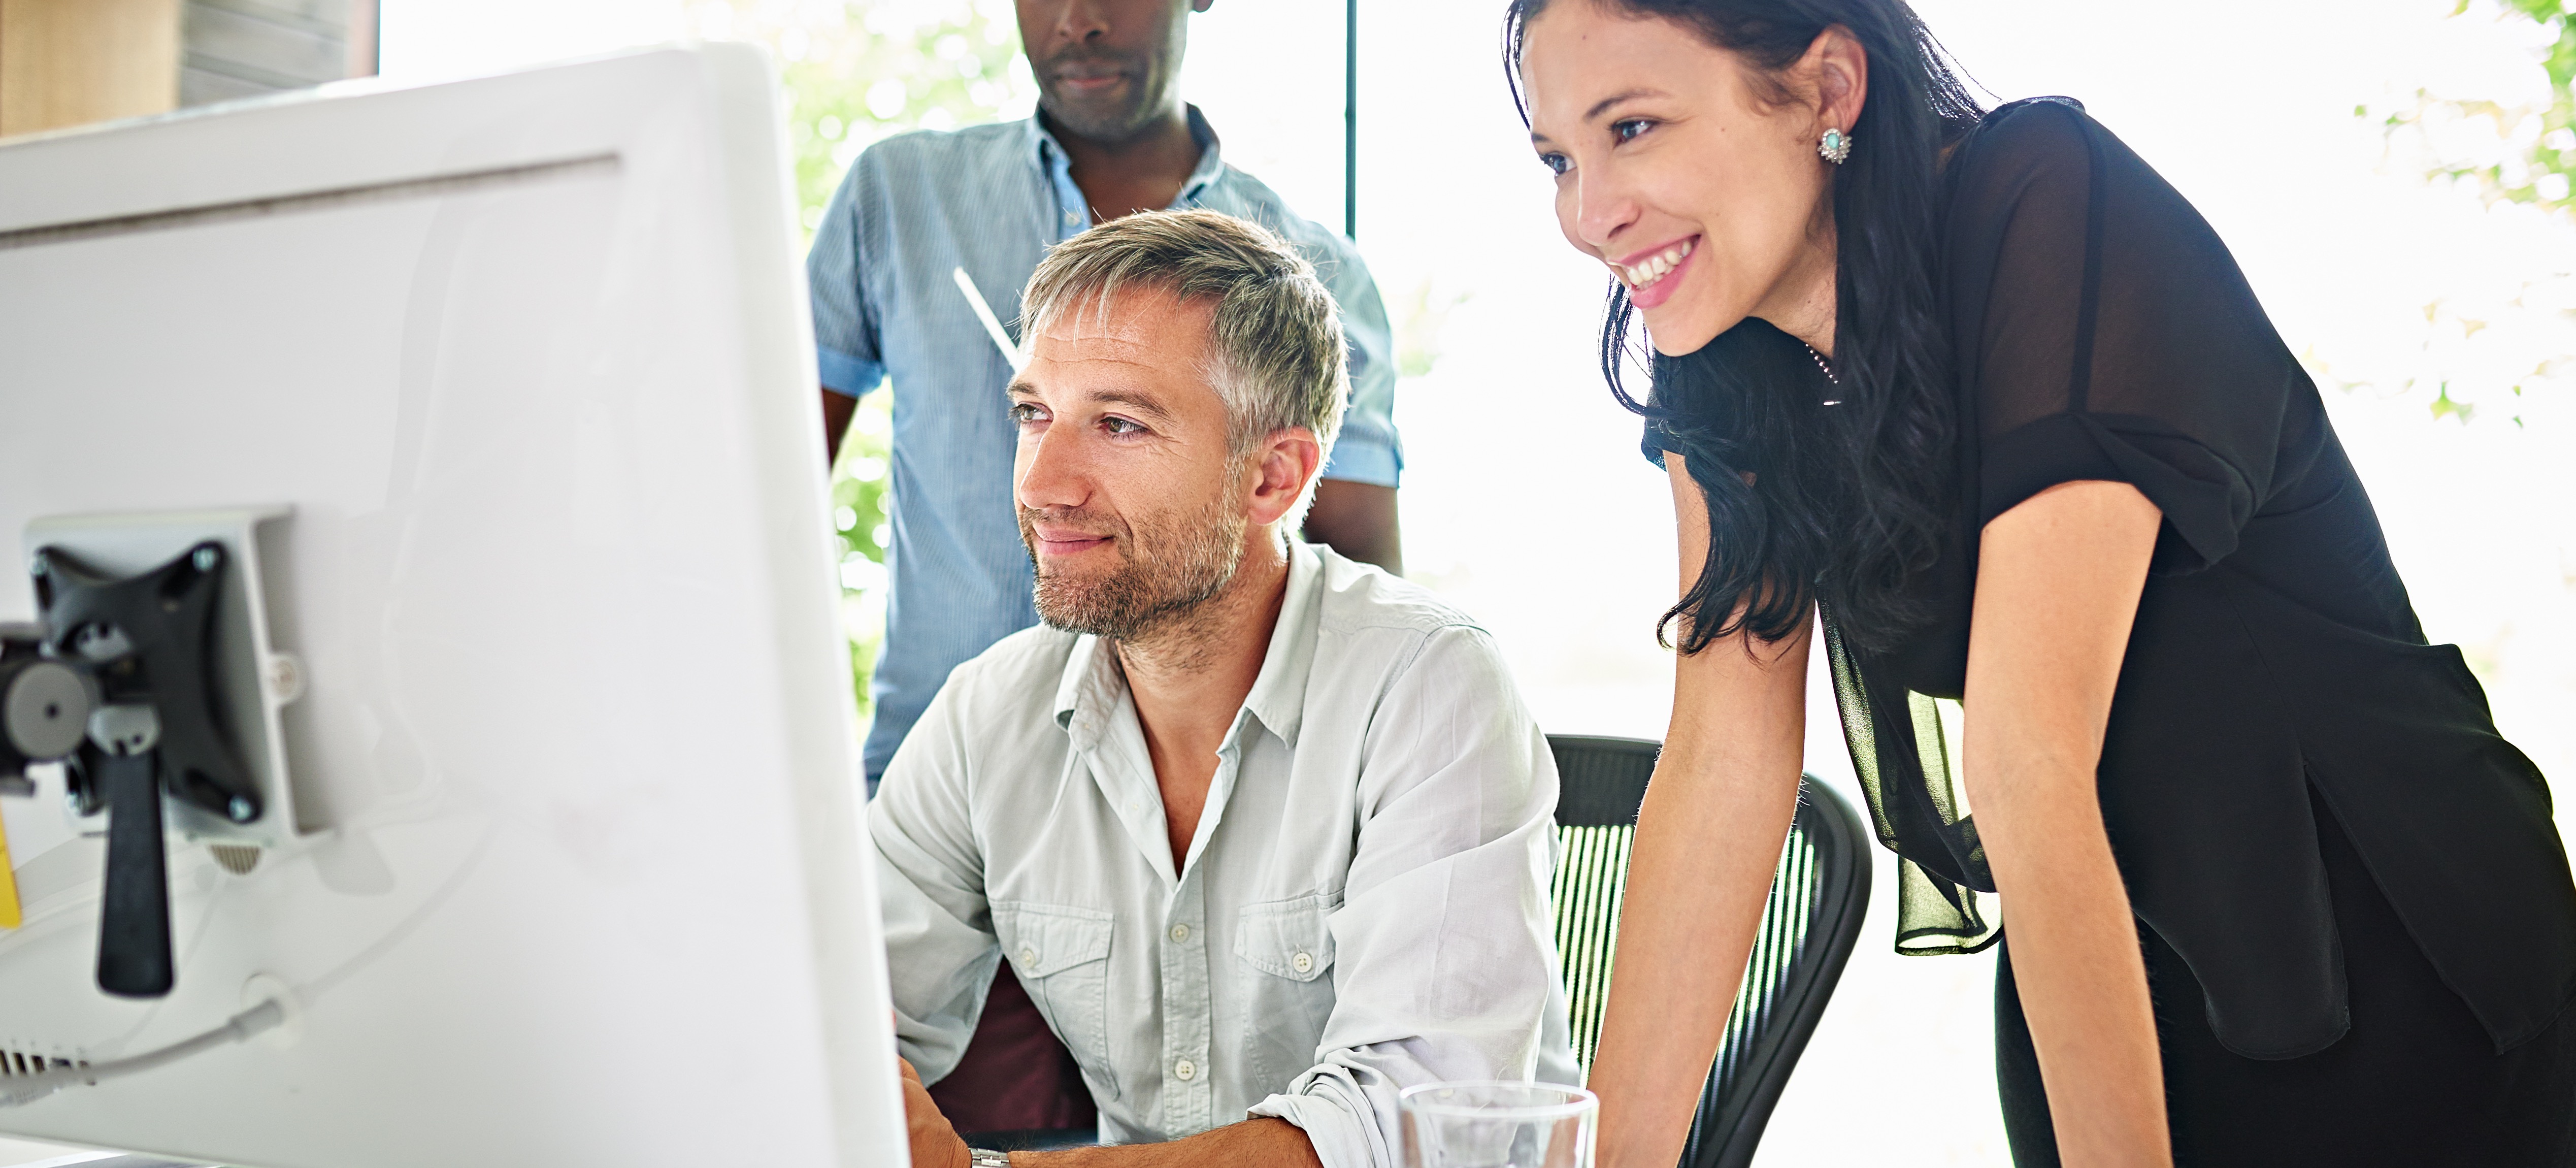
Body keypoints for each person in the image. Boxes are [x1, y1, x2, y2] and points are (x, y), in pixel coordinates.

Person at [1509, 1, 2576, 1165]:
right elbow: (1721, 767)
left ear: (1825, 90)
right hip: (2108, 947)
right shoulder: (1715, 340)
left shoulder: (2049, 201)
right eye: (1558, 157)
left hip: (2388, 942)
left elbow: (2026, 756)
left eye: (1632, 129)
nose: (1587, 215)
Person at [873, 209, 1576, 1168]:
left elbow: (1408, 1133)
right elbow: (832, 1021)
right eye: (1034, 413)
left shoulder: (1428, 688)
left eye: (1118, 424)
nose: (1044, 483)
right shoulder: (986, 715)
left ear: (1273, 477)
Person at [809, 0, 1403, 794]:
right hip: (930, 779)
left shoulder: (1314, 274)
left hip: (1206, 800)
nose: (1078, 19)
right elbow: (765, 499)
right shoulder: (897, 195)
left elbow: (1355, 578)